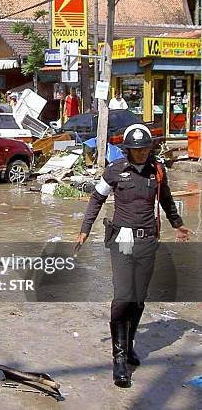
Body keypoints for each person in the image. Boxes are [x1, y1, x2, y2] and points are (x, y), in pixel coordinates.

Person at [75, 124, 192, 388]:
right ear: (127, 150)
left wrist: (177, 224)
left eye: (144, 149)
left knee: (138, 299)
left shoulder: (158, 171)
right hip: (124, 240)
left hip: (148, 239)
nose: (140, 154)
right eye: (135, 150)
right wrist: (84, 230)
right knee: (124, 296)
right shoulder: (115, 170)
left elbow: (166, 201)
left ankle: (129, 346)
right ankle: (119, 359)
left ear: (150, 148)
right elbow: (96, 198)